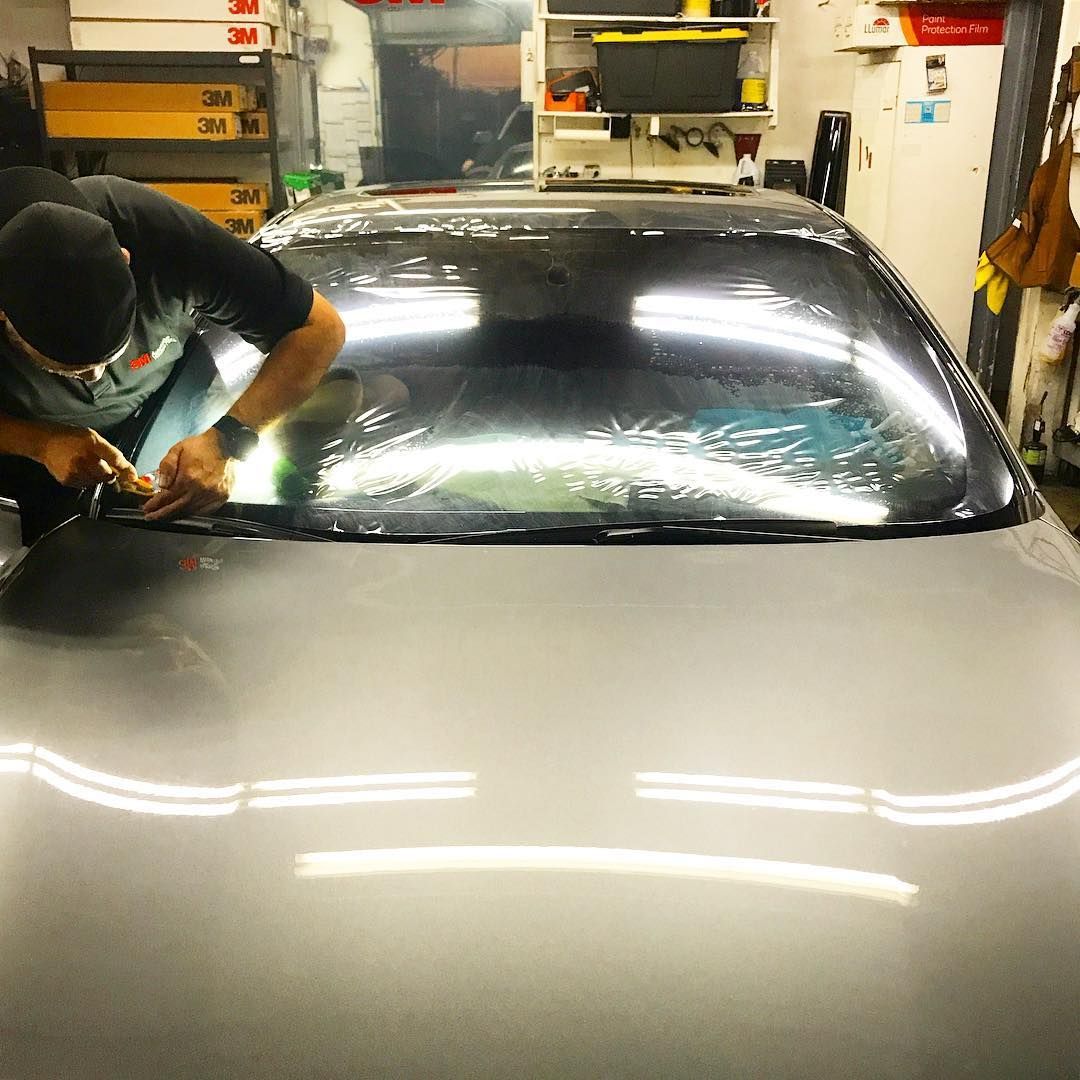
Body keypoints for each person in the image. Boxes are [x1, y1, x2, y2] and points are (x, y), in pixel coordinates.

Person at [0, 166, 345, 542]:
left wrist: (228, 437)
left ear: (126, 259)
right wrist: (41, 442)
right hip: (29, 462)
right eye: (72, 370)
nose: (97, 379)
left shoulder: (162, 236)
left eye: (111, 353)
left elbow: (319, 329)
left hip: (177, 404)